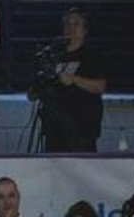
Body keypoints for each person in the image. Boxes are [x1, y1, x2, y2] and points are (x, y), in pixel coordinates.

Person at [42, 8, 106, 153]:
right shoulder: (54, 54)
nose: (70, 28)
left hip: (82, 128)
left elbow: (100, 86)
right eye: (67, 24)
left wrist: (74, 79)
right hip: (54, 127)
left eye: (76, 24)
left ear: (84, 30)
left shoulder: (91, 54)